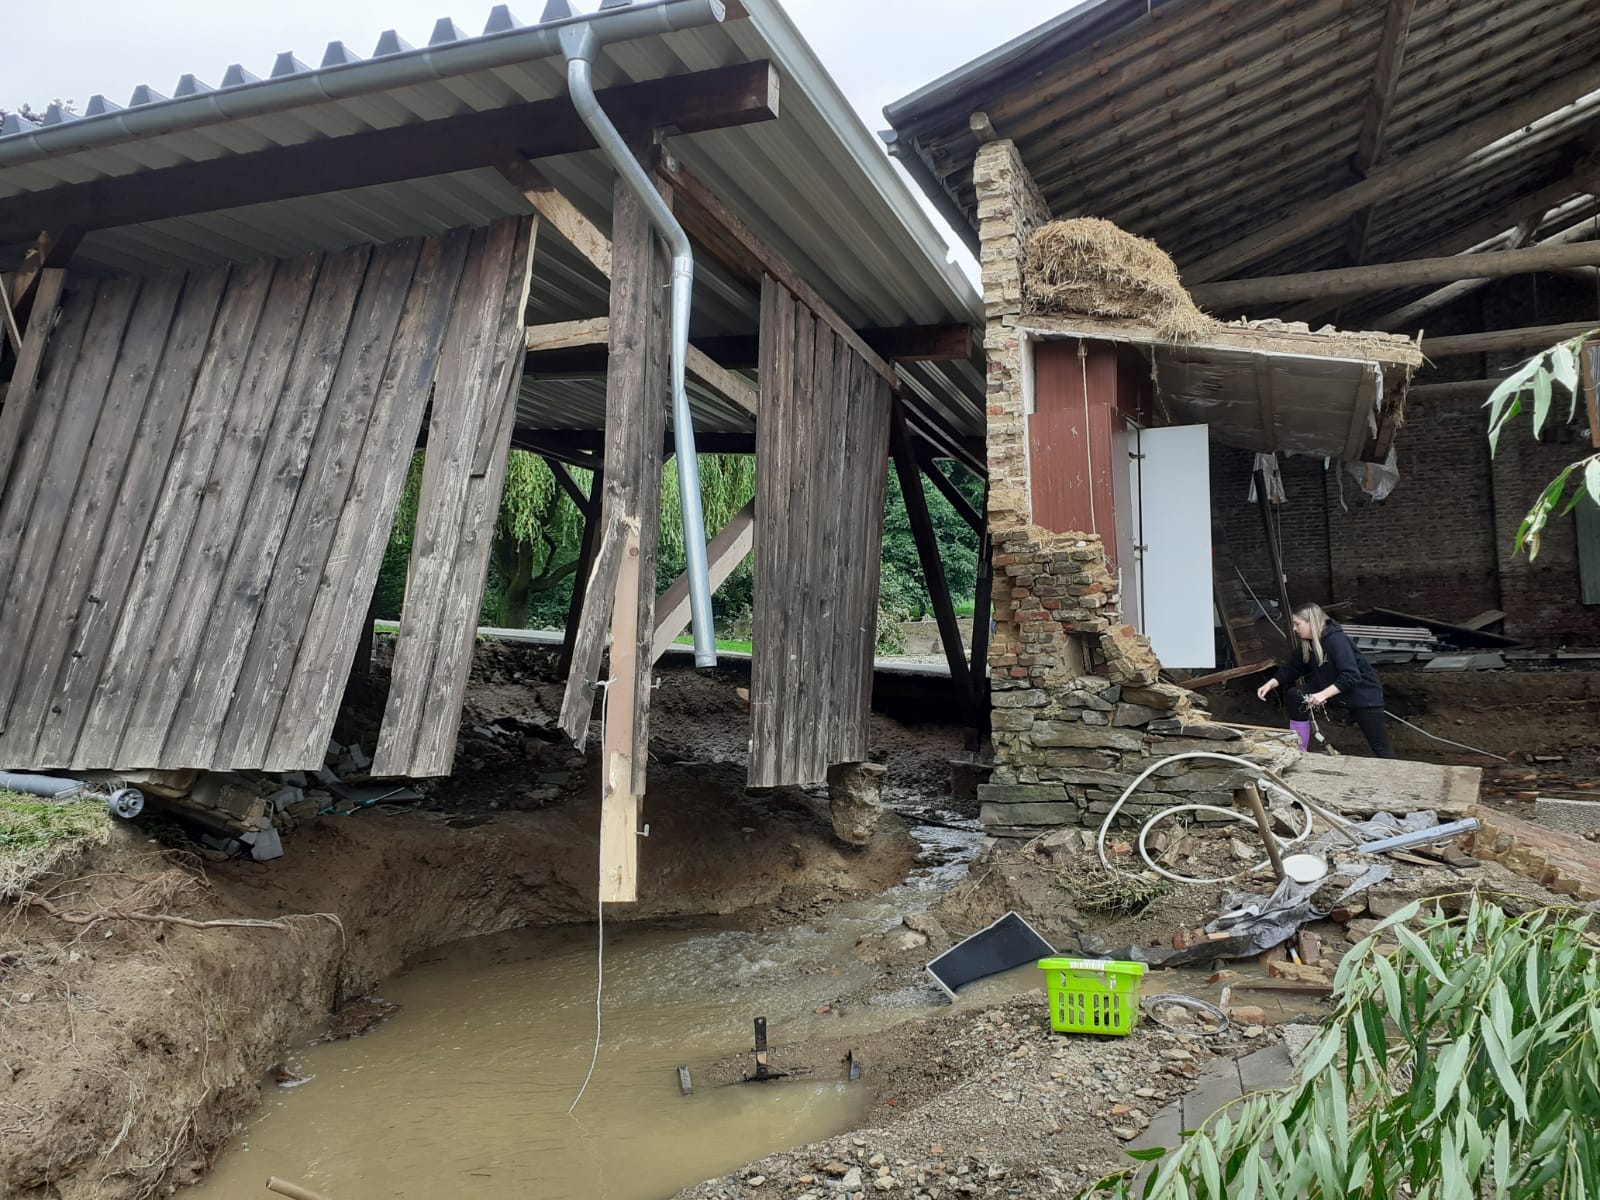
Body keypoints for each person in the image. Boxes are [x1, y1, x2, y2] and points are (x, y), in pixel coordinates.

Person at [1256, 602, 1395, 758]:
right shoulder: (1308, 643)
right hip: (1332, 688)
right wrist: (1272, 682)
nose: (1294, 629)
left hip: (1362, 695)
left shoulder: (1336, 640)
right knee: (1295, 695)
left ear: (1312, 622)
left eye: (1297, 624)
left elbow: (1351, 675)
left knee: (1379, 746)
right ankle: (1299, 751)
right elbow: (1293, 668)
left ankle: (1395, 776)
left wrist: (1323, 695)